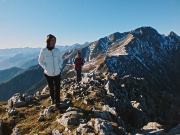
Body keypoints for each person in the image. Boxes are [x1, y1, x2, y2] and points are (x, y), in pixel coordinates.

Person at [38, 34, 63, 109]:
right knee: (51, 87)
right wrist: (45, 67)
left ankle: (58, 102)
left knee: (57, 87)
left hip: (57, 73)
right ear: (48, 40)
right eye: (52, 40)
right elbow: (40, 61)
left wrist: (59, 66)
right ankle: (53, 99)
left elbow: (61, 60)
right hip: (48, 73)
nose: (54, 42)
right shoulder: (43, 51)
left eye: (55, 40)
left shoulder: (57, 51)